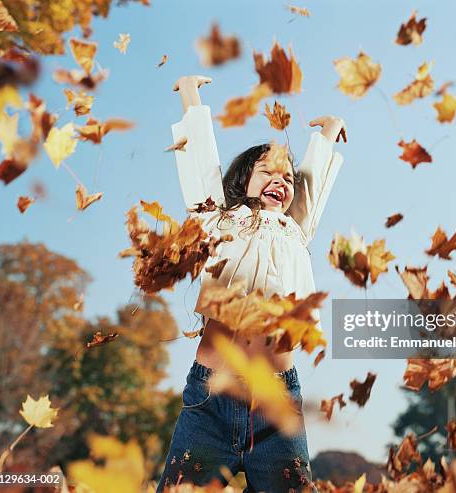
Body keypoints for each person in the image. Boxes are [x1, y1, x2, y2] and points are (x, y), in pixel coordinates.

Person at [156, 74, 346, 493]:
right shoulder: (218, 220)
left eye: (287, 178)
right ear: (244, 180)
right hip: (210, 399)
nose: (280, 180)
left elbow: (312, 185)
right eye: (267, 172)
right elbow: (200, 165)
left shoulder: (295, 230)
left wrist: (327, 135)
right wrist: (191, 94)